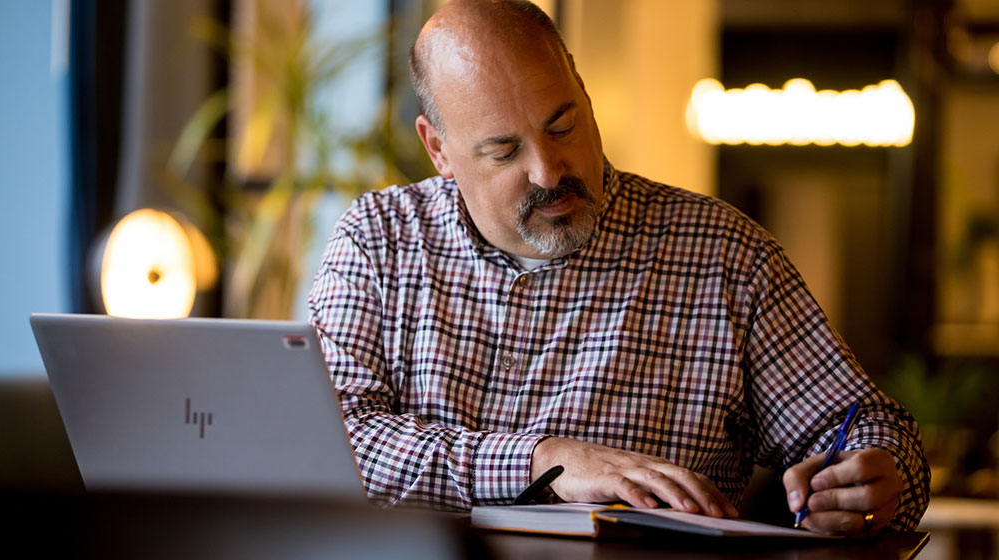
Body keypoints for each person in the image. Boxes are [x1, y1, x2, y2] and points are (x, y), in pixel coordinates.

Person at [308, 0, 928, 536]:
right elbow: (323, 445)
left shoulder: (726, 259)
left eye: (563, 125)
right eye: (504, 150)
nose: (548, 171)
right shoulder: (378, 241)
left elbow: (869, 428)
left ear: (586, 95)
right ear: (438, 149)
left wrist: (876, 474)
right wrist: (544, 461)